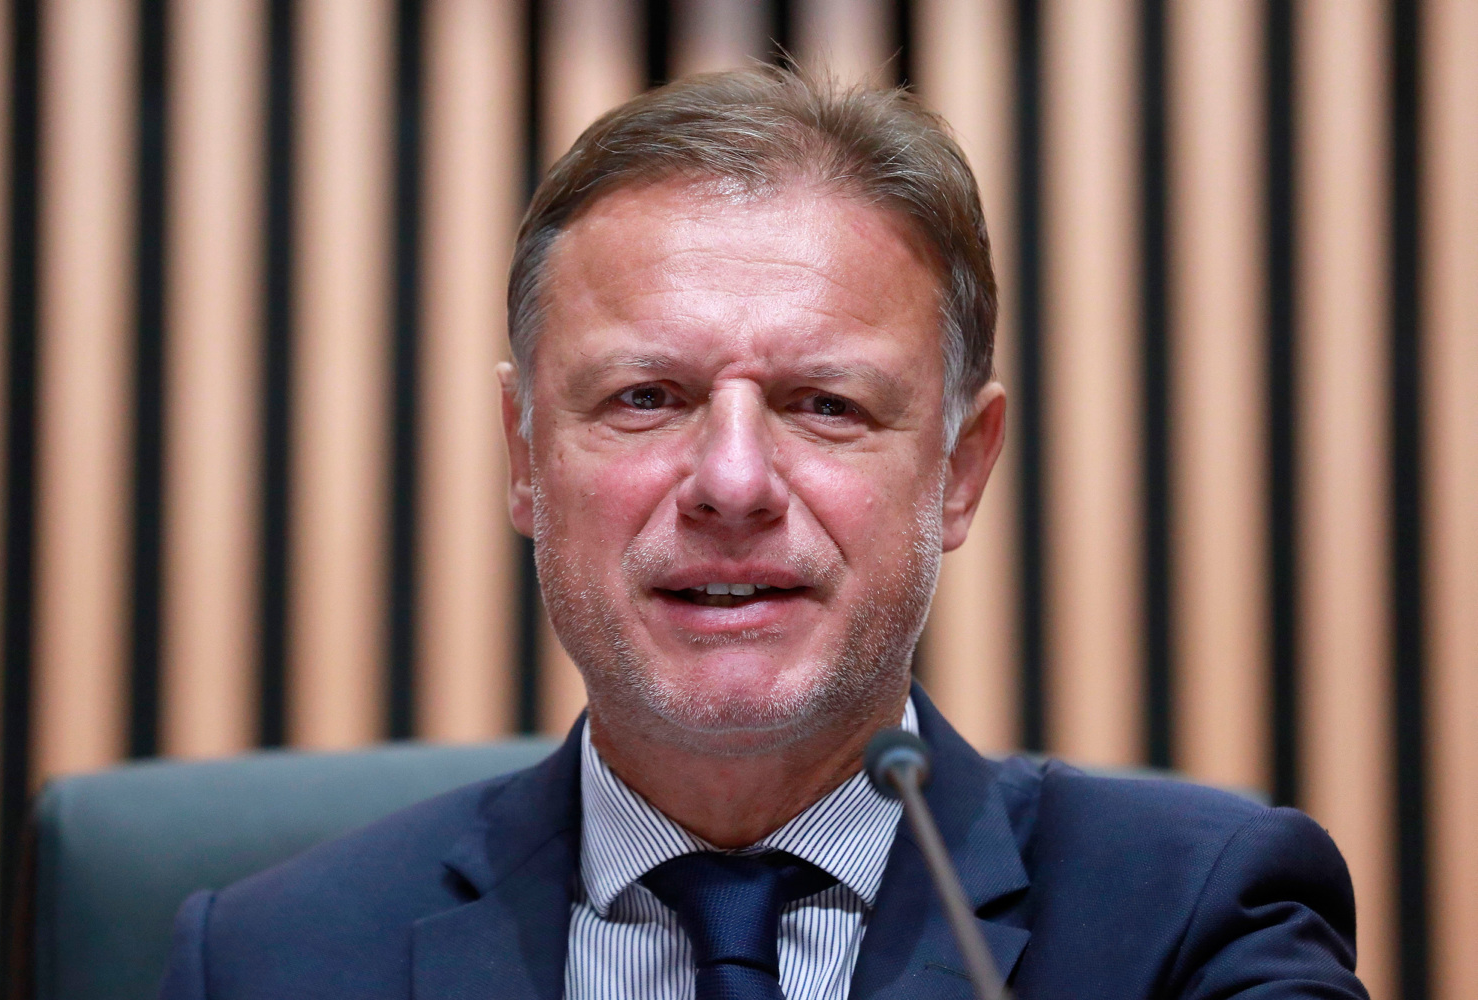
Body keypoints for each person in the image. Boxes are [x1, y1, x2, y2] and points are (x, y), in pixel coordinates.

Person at [159, 67, 1367, 1000]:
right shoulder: (272, 960)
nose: (732, 483)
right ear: (526, 457)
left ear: (960, 468)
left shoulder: (1195, 923)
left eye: (825, 405)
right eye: (646, 397)